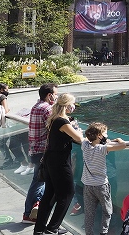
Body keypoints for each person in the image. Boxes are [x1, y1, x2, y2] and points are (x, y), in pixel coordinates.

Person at [34, 93, 83, 235]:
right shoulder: (62, 121)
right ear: (67, 105)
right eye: (72, 104)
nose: (74, 107)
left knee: (50, 193)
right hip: (59, 162)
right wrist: (77, 130)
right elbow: (79, 138)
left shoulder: (55, 119)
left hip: (51, 159)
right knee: (67, 193)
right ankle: (52, 227)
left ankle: (39, 229)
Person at [22, 83, 58, 224]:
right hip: (43, 151)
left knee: (39, 181)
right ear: (49, 95)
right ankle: (29, 214)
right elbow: (56, 128)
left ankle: (34, 211)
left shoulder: (36, 106)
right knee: (39, 182)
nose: (56, 97)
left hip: (35, 149)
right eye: (56, 94)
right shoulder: (47, 109)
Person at [81, 122, 126, 235]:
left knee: (89, 213)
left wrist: (104, 140)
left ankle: (89, 233)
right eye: (105, 133)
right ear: (100, 135)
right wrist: (119, 140)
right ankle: (103, 232)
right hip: (101, 185)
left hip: (87, 184)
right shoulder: (102, 149)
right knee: (107, 211)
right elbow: (123, 146)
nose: (107, 135)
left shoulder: (85, 146)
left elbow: (85, 139)